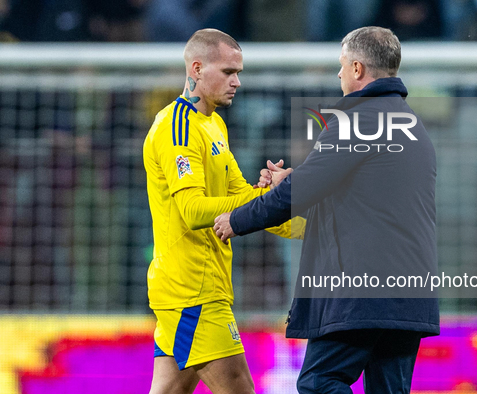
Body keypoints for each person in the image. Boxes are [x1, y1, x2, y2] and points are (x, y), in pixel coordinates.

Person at [214, 26, 439, 393]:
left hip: (362, 292)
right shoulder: (412, 126)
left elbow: (299, 194)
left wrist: (237, 220)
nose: (337, 74)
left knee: (320, 382)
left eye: (340, 65)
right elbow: (361, 196)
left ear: (356, 68)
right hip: (410, 295)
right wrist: (293, 179)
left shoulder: (357, 121)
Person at [143, 28, 290, 394]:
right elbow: (192, 211)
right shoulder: (176, 129)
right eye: (228, 72)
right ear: (196, 68)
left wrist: (292, 207)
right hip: (192, 292)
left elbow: (243, 197)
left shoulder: (213, 124)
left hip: (201, 289)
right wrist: (269, 199)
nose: (237, 82)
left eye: (238, 72)